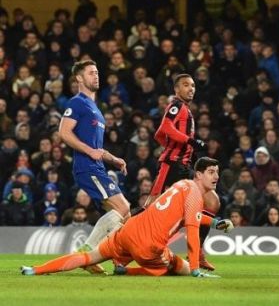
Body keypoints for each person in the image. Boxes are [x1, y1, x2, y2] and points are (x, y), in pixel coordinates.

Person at [21, 157, 233, 277]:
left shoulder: (180, 186)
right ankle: (126, 272)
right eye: (211, 172)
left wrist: (213, 222)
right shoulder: (196, 194)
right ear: (198, 174)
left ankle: (35, 270)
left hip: (127, 231)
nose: (216, 176)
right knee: (178, 268)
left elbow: (190, 216)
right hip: (147, 247)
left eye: (217, 172)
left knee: (89, 257)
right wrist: (195, 269)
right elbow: (193, 232)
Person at [59, 60, 130, 274]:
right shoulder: (77, 102)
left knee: (123, 216)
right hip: (87, 167)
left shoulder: (96, 109)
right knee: (123, 208)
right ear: (79, 78)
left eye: (97, 72)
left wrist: (112, 158)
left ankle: (109, 256)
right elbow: (64, 132)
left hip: (97, 166)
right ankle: (88, 254)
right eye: (91, 73)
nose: (96, 76)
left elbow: (96, 146)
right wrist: (90, 153)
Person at [148, 73, 217, 271]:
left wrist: (173, 145)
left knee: (211, 202)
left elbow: (160, 135)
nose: (191, 89)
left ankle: (198, 254)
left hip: (183, 166)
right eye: (186, 85)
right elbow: (165, 127)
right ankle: (117, 248)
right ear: (177, 90)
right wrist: (189, 142)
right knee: (148, 209)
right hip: (171, 166)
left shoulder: (185, 109)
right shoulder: (176, 105)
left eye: (193, 85)